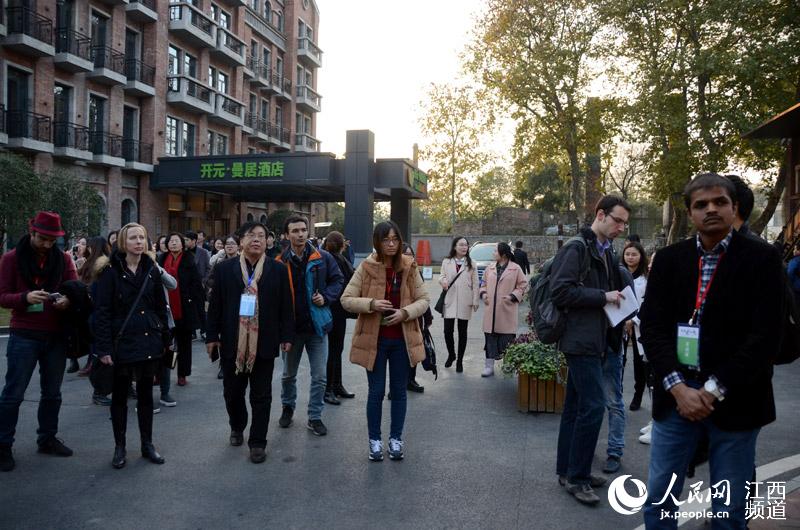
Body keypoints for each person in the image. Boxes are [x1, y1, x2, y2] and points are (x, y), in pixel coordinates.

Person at [639, 173, 784, 528]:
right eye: (701, 204)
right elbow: (652, 328)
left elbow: (765, 336)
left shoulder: (763, 259)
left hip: (736, 399)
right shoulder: (669, 260)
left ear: (734, 208)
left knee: (729, 511)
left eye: (720, 202)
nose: (711, 209)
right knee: (659, 499)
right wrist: (678, 388)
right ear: (690, 213)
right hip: (676, 398)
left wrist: (710, 390)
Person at [551, 195, 631, 505]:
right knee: (594, 406)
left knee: (575, 407)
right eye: (617, 220)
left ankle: (569, 470)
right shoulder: (577, 247)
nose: (621, 227)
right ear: (600, 214)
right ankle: (578, 477)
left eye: (624, 223)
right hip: (579, 340)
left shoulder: (605, 249)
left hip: (595, 339)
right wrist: (603, 296)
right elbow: (561, 291)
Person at [340, 221, 430, 461]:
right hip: (375, 341)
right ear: (377, 242)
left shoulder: (409, 266)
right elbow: (346, 299)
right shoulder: (366, 267)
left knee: (399, 392)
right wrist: (371, 304)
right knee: (376, 392)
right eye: (386, 240)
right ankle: (375, 441)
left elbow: (424, 300)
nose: (391, 244)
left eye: (395, 239)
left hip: (402, 340)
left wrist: (405, 313)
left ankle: (396, 439)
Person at [205, 221, 294, 463]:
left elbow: (286, 305)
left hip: (264, 342)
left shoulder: (277, 269)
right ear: (241, 241)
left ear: (267, 241)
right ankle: (237, 425)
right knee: (232, 393)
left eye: (261, 236)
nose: (256, 239)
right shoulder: (225, 269)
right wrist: (212, 336)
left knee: (261, 395)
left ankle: (257, 442)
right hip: (232, 341)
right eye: (251, 235)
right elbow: (215, 306)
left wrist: (287, 336)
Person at [0, 212, 79, 472]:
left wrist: (67, 300)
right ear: (31, 232)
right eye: (43, 238)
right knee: (13, 394)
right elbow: (2, 296)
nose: (47, 244)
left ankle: (47, 438)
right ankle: (3, 446)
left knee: (52, 393)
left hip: (55, 334)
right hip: (24, 334)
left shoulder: (63, 258)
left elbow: (74, 288)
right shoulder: (11, 258)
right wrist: (24, 298)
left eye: (52, 240)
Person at [93, 223, 170, 469]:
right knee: (120, 398)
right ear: (123, 243)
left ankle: (147, 444)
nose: (138, 242)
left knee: (146, 396)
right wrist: (104, 349)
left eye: (142, 237)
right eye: (133, 238)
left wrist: (165, 338)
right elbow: (102, 313)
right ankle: (120, 447)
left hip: (148, 340)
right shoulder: (109, 272)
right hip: (122, 342)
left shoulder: (152, 269)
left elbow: (160, 307)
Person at [275, 215, 344, 436]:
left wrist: (326, 297)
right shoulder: (279, 261)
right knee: (288, 375)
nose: (300, 234)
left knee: (320, 376)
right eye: (295, 231)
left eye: (303, 230)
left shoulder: (323, 257)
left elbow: (338, 280)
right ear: (286, 235)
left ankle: (315, 416)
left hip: (317, 327)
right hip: (291, 330)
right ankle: (287, 407)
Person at [159, 233, 205, 387]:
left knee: (184, 344)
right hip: (166, 307)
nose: (173, 243)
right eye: (171, 241)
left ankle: (182, 374)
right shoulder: (161, 259)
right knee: (166, 343)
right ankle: (163, 373)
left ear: (182, 244)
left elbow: (196, 284)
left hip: (185, 307)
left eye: (176, 241)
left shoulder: (188, 259)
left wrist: (197, 306)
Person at [479, 242, 528, 377]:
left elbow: (523, 285)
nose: (493, 253)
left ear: (504, 255)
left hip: (507, 309)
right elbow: (483, 284)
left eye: (495, 251)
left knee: (507, 340)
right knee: (490, 339)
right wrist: (484, 294)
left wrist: (512, 296)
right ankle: (489, 366)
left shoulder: (515, 268)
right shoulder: (489, 268)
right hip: (490, 311)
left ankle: (507, 364)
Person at [322, 231, 357, 405]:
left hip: (336, 309)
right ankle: (329, 388)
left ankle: (336, 385)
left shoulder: (333, 259)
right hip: (334, 309)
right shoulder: (334, 260)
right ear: (343, 245)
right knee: (334, 350)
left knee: (336, 350)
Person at [439, 236, 480, 373]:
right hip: (449, 299)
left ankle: (460, 361)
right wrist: (443, 281)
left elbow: (476, 283)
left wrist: (475, 300)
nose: (464, 247)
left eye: (466, 245)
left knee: (463, 332)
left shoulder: (471, 263)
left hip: (465, 300)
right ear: (455, 247)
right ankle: (452, 354)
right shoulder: (446, 261)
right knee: (447, 331)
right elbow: (441, 276)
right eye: (461, 245)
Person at [623, 241, 650, 411]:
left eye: (634, 254)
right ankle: (616, 394)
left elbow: (648, 304)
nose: (630, 257)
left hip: (639, 323)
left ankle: (638, 394)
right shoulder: (619, 274)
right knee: (619, 359)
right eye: (627, 254)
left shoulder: (646, 278)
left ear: (641, 257)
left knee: (639, 362)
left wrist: (634, 320)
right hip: (620, 323)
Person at [402, 243, 431, 393]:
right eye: (406, 254)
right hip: (401, 317)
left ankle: (411, 380)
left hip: (416, 316)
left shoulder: (417, 272)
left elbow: (423, 296)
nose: (409, 257)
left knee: (414, 350)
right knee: (400, 354)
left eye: (411, 254)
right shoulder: (396, 272)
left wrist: (427, 316)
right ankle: (397, 385)